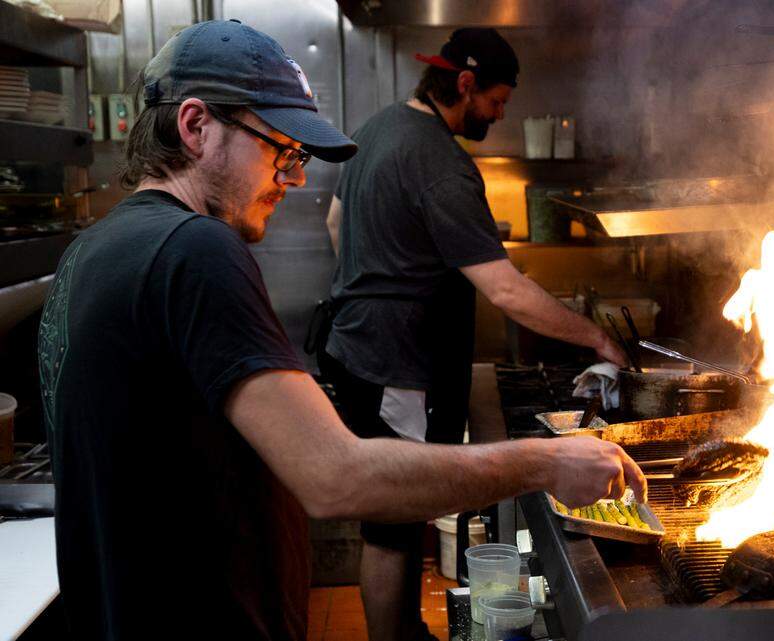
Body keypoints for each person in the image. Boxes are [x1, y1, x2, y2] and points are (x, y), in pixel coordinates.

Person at [37, 20, 646, 640]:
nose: (296, 177)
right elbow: (336, 477)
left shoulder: (89, 254)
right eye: (282, 150)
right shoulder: (196, 252)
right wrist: (547, 461)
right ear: (195, 126)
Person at [321, 28, 627, 641]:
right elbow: (507, 290)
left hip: (359, 348)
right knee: (392, 521)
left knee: (397, 511)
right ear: (465, 84)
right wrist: (598, 340)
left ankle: (404, 629)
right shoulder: (440, 160)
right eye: (497, 99)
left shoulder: (378, 127)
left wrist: (380, 278)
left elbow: (336, 222)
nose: (499, 112)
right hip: (394, 367)